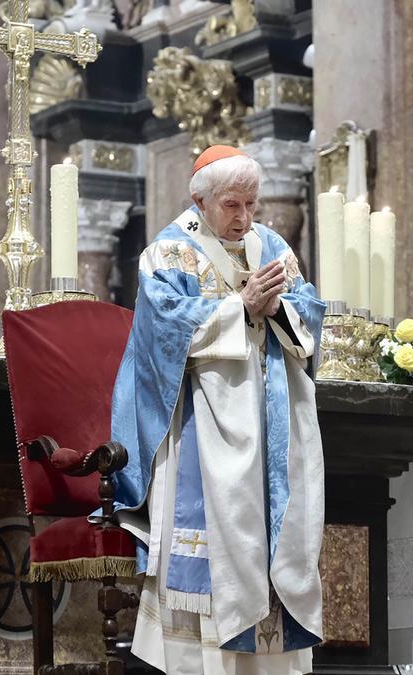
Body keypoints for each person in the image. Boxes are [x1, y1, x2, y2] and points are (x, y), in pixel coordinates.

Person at [111, 145, 327, 674]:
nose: (245, 218)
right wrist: (239, 307)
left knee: (277, 534)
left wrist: (279, 307)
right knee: (220, 534)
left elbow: (309, 312)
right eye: (233, 205)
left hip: (273, 416)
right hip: (203, 424)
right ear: (199, 200)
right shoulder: (169, 252)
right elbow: (163, 327)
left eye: (253, 205)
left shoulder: (270, 245)